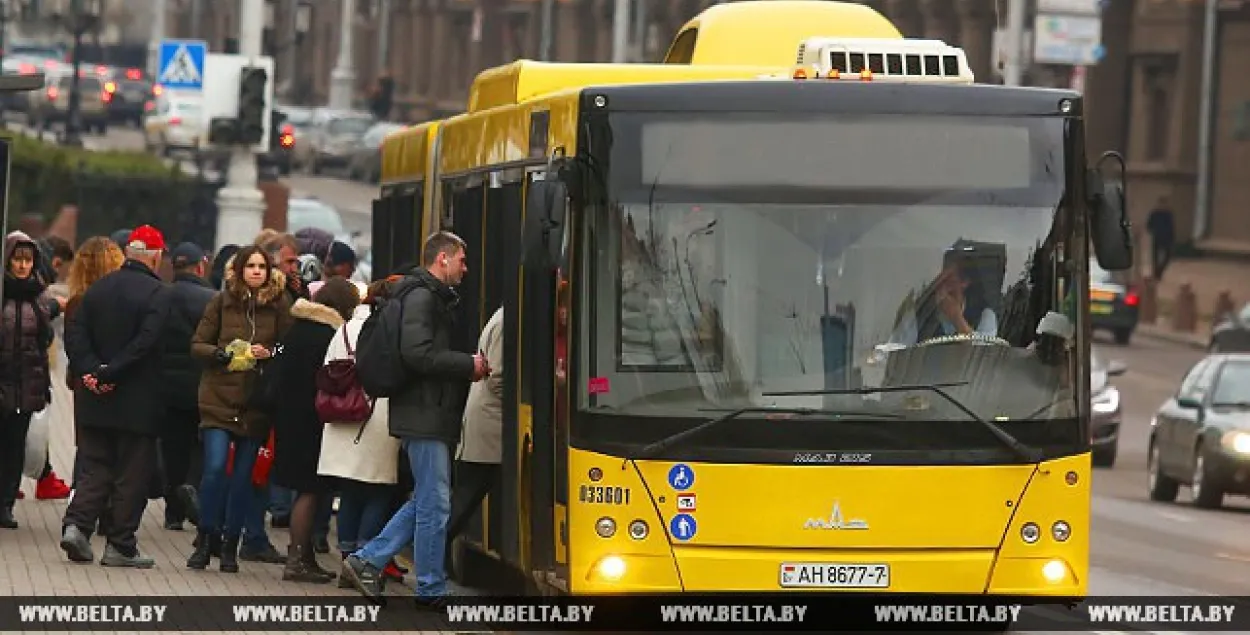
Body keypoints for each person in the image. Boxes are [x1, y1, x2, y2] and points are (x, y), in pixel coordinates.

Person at [342, 231, 490, 607]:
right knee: (434, 500)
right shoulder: (423, 297)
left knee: (430, 499)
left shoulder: (424, 295)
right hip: (423, 410)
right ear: (443, 259)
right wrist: (467, 364)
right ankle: (414, 579)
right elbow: (418, 354)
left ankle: (386, 567)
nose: (465, 268)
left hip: (427, 410)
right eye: (461, 260)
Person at [61, 225, 171, 567]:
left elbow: (76, 337)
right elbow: (146, 342)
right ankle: (120, 545)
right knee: (131, 473)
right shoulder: (158, 294)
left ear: (128, 254)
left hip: (96, 398)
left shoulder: (96, 291)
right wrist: (112, 371)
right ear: (154, 257)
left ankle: (77, 527)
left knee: (95, 467)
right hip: (137, 402)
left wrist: (93, 372)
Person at [186, 245, 293, 573]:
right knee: (216, 468)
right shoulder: (221, 302)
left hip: (256, 403)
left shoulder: (279, 306)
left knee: (243, 478)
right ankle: (206, 539)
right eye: (251, 266)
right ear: (240, 270)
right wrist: (224, 354)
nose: (257, 272)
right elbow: (198, 344)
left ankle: (231, 544)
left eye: (262, 266)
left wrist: (269, 352)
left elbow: (289, 345)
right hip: (219, 398)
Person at [271, 277, 360, 583]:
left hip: (290, 419)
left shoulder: (298, 328)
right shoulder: (326, 335)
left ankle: (304, 556)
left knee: (307, 489)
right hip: (311, 422)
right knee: (310, 490)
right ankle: (297, 560)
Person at [318, 279, 402, 587]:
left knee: (351, 491)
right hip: (376, 418)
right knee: (379, 489)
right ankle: (364, 559)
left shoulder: (342, 329)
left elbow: (327, 369)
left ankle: (345, 560)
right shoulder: (388, 329)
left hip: (343, 420)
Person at [0, 231, 61, 529]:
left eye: (27, 261)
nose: (22, 266)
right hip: (4, 379)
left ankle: (5, 505)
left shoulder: (38, 296)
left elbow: (44, 340)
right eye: (17, 259)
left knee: (14, 447)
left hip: (26, 383)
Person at [157, 243, 216, 530]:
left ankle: (173, 513)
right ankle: (192, 488)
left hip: (166, 386)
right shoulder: (212, 299)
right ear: (201, 266)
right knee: (199, 445)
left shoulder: (159, 296)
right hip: (201, 384)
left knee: (172, 447)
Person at [62, 237, 125, 492]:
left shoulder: (76, 303)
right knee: (114, 446)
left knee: (87, 447)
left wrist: (88, 372)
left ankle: (80, 501)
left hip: (85, 382)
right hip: (116, 379)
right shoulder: (120, 303)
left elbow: (73, 346)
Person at [448, 305, 504, 545]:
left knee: (464, 499)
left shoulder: (502, 317)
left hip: (487, 423)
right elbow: (498, 378)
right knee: (463, 501)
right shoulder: (506, 323)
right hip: (490, 425)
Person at [891, 242, 1001, 345]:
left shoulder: (984, 316)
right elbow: (897, 349)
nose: (940, 283)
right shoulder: (919, 313)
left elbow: (982, 357)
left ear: (965, 281)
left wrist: (956, 318)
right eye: (938, 277)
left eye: (947, 276)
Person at [1147, 197, 1175, 280]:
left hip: (1167, 238)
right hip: (1157, 237)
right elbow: (1149, 225)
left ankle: (1158, 272)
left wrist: (1172, 237)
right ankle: (1156, 274)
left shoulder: (1168, 214)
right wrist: (1155, 231)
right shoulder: (1154, 214)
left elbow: (1172, 226)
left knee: (1168, 256)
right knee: (1155, 257)